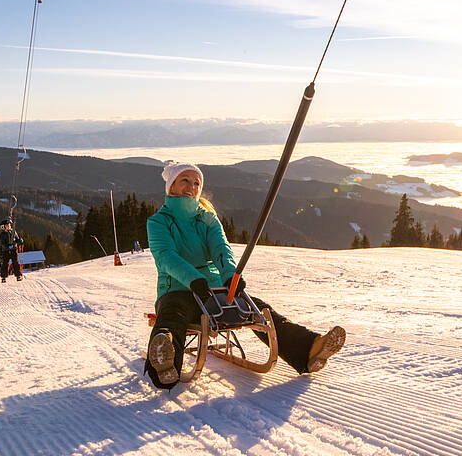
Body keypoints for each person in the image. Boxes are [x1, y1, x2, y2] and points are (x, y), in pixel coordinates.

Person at [144, 162, 346, 389]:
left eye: (196, 183)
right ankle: (164, 358)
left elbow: (221, 248)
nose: (192, 187)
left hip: (213, 289)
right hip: (177, 289)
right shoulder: (159, 222)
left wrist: (231, 277)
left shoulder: (207, 218)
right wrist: (192, 279)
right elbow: (166, 256)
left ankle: (310, 348)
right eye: (185, 181)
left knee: (258, 310)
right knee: (174, 315)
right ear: (171, 185)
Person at [0, 219, 24, 283]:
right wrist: (7, 246)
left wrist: (19, 241)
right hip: (6, 251)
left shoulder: (13, 232)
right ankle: (3, 277)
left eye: (9, 225)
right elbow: (2, 243)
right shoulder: (3, 234)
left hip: (14, 250)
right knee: (5, 263)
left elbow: (16, 239)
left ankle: (18, 276)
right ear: (4, 227)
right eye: (7, 225)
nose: (9, 226)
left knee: (15, 262)